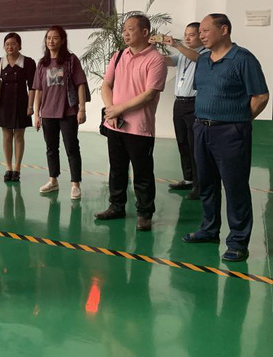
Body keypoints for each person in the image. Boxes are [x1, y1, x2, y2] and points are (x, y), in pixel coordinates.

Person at [182, 14, 268, 262]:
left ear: (224, 30)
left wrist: (239, 120)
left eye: (206, 30)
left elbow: (261, 96)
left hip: (231, 132)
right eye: (200, 32)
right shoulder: (203, 60)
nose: (201, 35)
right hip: (202, 129)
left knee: (235, 187)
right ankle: (209, 230)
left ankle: (238, 241)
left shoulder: (243, 59)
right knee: (207, 184)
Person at [95, 14, 167, 231]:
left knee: (142, 173)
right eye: (124, 29)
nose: (125, 33)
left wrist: (120, 109)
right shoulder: (118, 56)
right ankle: (116, 206)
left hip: (139, 128)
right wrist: (111, 110)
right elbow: (106, 85)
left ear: (145, 32)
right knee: (117, 169)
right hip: (115, 124)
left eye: (130, 29)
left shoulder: (155, 59)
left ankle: (145, 213)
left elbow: (149, 94)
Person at [32, 26, 88, 199]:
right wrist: (36, 114)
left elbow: (80, 84)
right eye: (48, 38)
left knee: (72, 147)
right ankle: (53, 180)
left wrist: (82, 109)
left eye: (55, 37)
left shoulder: (71, 60)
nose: (51, 41)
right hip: (48, 112)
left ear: (62, 40)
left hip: (68, 112)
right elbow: (38, 90)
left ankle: (75, 184)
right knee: (51, 148)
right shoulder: (42, 63)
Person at [155, 24, 207, 200]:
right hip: (179, 103)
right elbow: (166, 60)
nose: (187, 38)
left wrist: (177, 45)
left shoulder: (205, 53)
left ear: (201, 36)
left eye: (192, 35)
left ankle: (200, 185)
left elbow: (197, 58)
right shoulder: (183, 54)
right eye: (185, 35)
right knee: (183, 142)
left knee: (195, 145)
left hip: (194, 104)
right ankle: (188, 179)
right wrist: (151, 48)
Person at [0, 32, 36, 182]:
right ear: (4, 46)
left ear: (19, 45)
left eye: (13, 44)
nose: (10, 47)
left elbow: (32, 86)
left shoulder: (28, 62)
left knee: (19, 136)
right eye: (7, 44)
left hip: (22, 103)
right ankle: (8, 167)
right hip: (4, 103)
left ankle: (17, 168)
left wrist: (30, 106)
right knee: (7, 136)